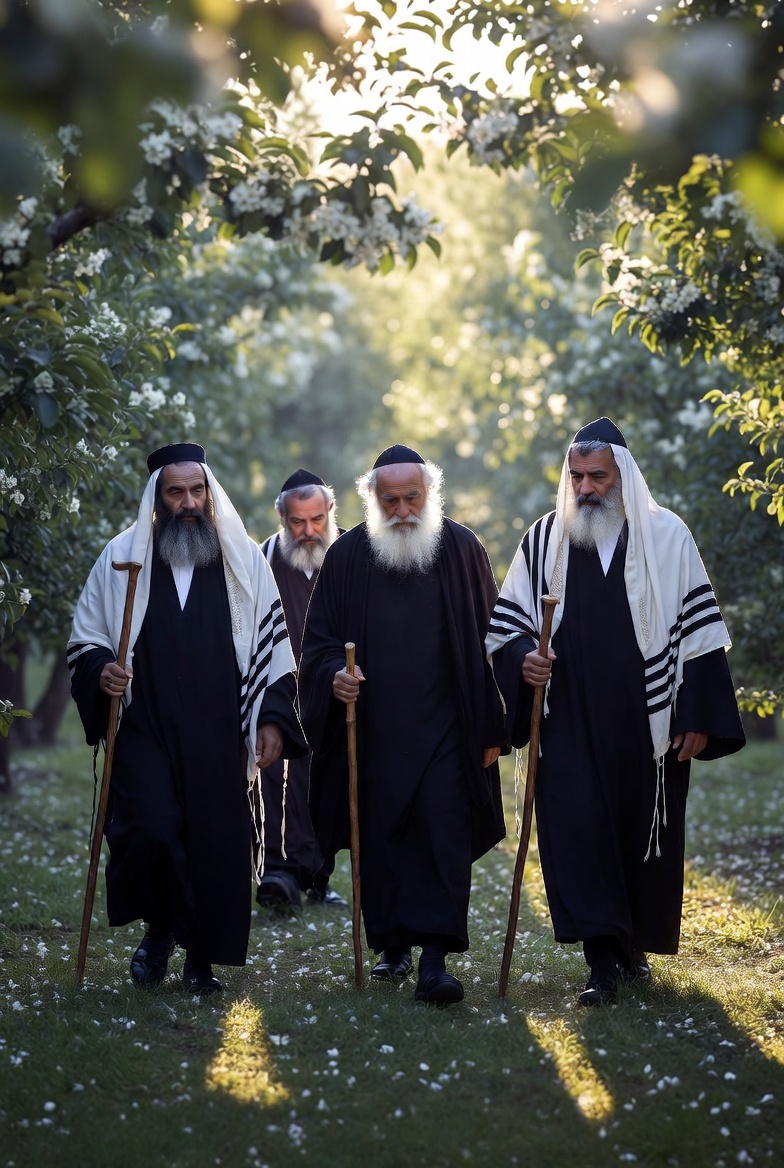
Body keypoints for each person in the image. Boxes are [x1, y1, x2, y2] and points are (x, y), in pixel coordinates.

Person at [486, 418, 745, 1006]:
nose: (585, 488)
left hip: (646, 719)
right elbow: (508, 630)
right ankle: (601, 961)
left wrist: (695, 715)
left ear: (623, 477)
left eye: (597, 477)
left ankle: (632, 947)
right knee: (578, 830)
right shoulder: (543, 539)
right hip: (568, 718)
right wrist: (527, 660)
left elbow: (700, 637)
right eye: (576, 476)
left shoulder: (668, 537)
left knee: (639, 832)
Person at [67, 443, 307, 995]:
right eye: (176, 492)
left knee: (214, 842)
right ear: (157, 498)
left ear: (209, 492)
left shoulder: (242, 559)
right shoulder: (122, 558)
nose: (189, 502)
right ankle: (158, 932)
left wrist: (271, 719)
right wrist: (103, 670)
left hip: (218, 729)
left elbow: (274, 649)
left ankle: (201, 957)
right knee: (149, 829)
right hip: (145, 726)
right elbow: (87, 638)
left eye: (197, 490)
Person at [300, 444, 506, 1006]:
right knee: (382, 840)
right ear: (372, 499)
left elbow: (493, 640)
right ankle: (392, 944)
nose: (402, 510)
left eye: (411, 498)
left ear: (429, 493)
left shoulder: (462, 549)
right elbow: (318, 644)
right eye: (389, 501)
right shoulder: (346, 556)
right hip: (372, 732)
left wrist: (492, 727)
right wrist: (334, 679)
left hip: (448, 728)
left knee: (442, 833)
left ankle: (435, 961)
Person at [255, 468, 347, 910]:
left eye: (317, 519)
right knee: (274, 777)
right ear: (282, 518)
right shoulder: (262, 559)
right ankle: (276, 873)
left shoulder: (351, 553)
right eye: (297, 522)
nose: (308, 531)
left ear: (330, 511)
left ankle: (317, 877)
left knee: (326, 782)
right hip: (280, 688)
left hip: (335, 689)